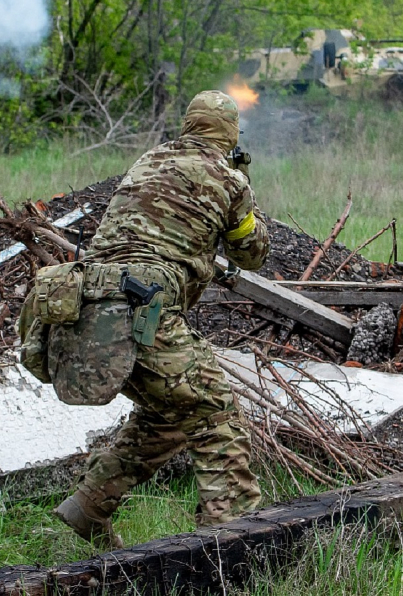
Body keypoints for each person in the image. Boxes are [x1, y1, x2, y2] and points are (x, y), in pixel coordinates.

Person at [53, 90, 270, 547]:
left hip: (86, 306)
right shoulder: (229, 180)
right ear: (231, 135)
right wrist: (247, 201)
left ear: (190, 125)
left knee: (170, 412)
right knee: (215, 411)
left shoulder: (148, 161)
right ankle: (230, 542)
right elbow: (251, 254)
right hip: (141, 308)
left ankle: (89, 506)